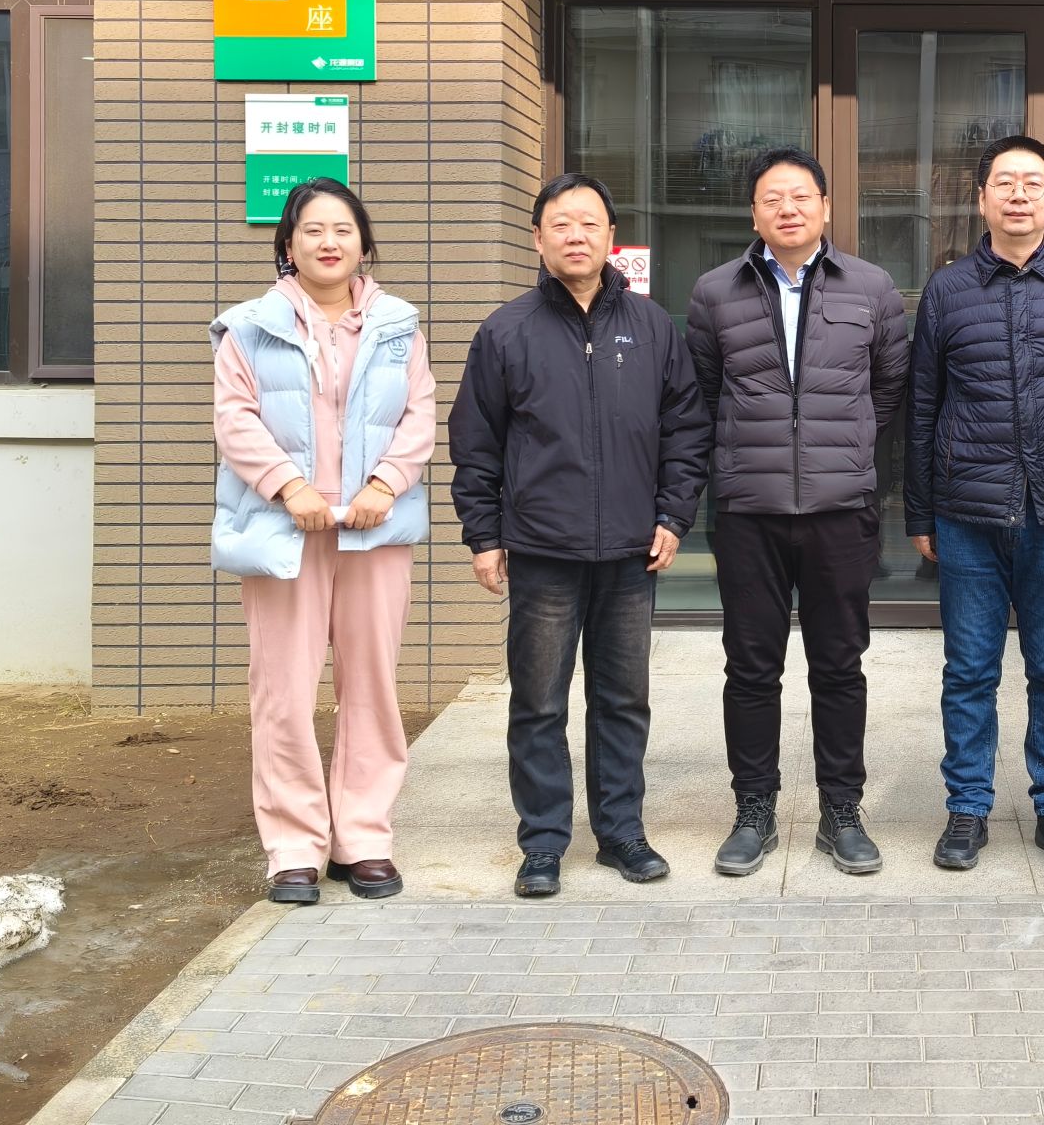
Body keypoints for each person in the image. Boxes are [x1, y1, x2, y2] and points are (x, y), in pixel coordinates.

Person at [448, 172, 710, 896]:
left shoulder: (651, 327)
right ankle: (542, 842)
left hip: (630, 551)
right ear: (537, 238)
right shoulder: (507, 331)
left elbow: (687, 430)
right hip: (542, 551)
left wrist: (673, 515)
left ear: (610, 237)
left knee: (623, 700)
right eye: (560, 223)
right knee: (538, 702)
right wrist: (483, 535)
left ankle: (621, 832)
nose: (576, 235)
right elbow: (475, 443)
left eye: (590, 223)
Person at [904, 134, 1044, 873]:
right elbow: (923, 405)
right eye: (1005, 182)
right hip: (967, 515)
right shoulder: (947, 291)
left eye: (1033, 182)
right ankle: (967, 808)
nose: (1019, 194)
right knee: (969, 671)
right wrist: (920, 513)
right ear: (981, 199)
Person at [686, 147, 910, 877]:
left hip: (840, 510)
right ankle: (753, 808)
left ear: (825, 207)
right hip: (748, 510)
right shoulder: (715, 292)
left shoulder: (871, 287)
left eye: (800, 196)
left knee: (839, 666)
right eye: (772, 198)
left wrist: (847, 451)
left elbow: (890, 388)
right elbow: (703, 393)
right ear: (753, 213)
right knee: (751, 668)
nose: (787, 209)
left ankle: (841, 811)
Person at [210, 178, 435, 906]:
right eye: (312, 230)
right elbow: (235, 419)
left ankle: (363, 838)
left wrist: (384, 485)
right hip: (286, 532)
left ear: (364, 244)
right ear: (288, 244)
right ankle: (293, 847)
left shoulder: (399, 325)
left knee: (372, 686)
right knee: (282, 690)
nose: (328, 242)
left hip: (375, 530)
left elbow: (421, 416)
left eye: (343, 229)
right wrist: (289, 487)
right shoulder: (248, 327)